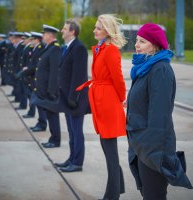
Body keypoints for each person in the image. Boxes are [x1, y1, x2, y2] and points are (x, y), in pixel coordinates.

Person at [126, 23, 193, 200]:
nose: (136, 45)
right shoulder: (146, 67)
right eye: (137, 40)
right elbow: (147, 98)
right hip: (141, 143)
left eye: (142, 41)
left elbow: (160, 114)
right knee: (147, 192)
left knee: (154, 195)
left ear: (155, 45)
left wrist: (151, 150)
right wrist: (132, 102)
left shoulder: (160, 69)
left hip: (152, 146)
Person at [76, 14, 126, 200]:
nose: (94, 30)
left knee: (110, 152)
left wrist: (122, 98)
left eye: (98, 27)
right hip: (101, 102)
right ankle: (117, 188)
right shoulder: (101, 48)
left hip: (108, 104)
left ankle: (111, 196)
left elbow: (118, 78)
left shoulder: (111, 50)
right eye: (95, 27)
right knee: (108, 150)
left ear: (107, 30)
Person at [55, 19, 90, 173]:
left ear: (72, 32)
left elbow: (79, 76)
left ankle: (77, 163)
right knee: (71, 132)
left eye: (64, 29)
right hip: (66, 97)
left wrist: (73, 98)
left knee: (76, 132)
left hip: (75, 99)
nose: (62, 31)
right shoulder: (67, 47)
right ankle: (71, 158)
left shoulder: (79, 48)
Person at [30, 24, 61, 148]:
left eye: (44, 34)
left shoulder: (55, 49)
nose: (42, 36)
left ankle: (55, 140)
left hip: (50, 90)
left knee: (53, 116)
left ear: (50, 35)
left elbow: (55, 71)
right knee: (49, 115)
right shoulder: (49, 48)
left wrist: (51, 91)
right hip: (45, 89)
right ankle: (53, 138)